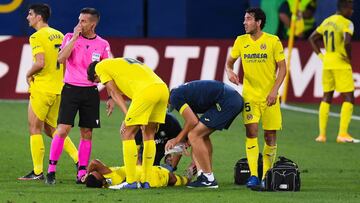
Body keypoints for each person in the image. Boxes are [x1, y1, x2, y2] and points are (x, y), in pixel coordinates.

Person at [45, 7, 111, 184]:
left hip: (90, 92)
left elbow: (107, 72)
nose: (79, 24)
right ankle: (51, 170)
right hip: (71, 89)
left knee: (87, 132)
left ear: (93, 24)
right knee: (63, 129)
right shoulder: (69, 37)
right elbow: (60, 59)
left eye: (83, 21)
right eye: (79, 19)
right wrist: (74, 37)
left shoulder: (103, 44)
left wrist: (111, 96)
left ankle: (81, 172)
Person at [225, 7, 287, 188]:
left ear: (258, 22)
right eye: (244, 19)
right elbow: (229, 63)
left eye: (248, 19)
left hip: (269, 97)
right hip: (250, 96)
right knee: (251, 132)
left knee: (269, 136)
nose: (244, 22)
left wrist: (274, 90)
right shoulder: (240, 41)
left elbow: (282, 68)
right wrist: (230, 72)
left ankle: (267, 175)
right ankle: (253, 175)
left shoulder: (273, 41)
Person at [87, 57, 169, 189]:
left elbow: (113, 91)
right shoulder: (118, 63)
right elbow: (115, 89)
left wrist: (127, 117)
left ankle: (130, 182)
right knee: (149, 135)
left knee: (127, 134)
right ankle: (145, 181)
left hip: (146, 91)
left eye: (99, 81)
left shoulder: (99, 67)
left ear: (95, 75)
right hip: (162, 89)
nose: (102, 82)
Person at [18, 3, 79, 181]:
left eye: (30, 14)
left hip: (43, 89)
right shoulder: (59, 34)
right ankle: (78, 160)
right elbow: (66, 61)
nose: (27, 17)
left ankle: (37, 172)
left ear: (38, 17)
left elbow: (40, 62)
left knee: (34, 128)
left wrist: (28, 74)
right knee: (53, 129)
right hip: (58, 88)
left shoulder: (36, 37)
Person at [165, 80, 244, 188]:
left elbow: (192, 121)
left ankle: (208, 178)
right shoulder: (182, 93)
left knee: (194, 135)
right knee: (200, 135)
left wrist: (177, 140)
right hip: (232, 98)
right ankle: (204, 175)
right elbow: (195, 122)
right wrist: (186, 142)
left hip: (226, 100)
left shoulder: (174, 97)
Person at [309, 0, 359, 143]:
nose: (352, 11)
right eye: (351, 8)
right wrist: (349, 57)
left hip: (327, 63)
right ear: (344, 8)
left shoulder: (327, 21)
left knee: (327, 96)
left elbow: (312, 38)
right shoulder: (347, 23)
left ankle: (322, 135)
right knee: (349, 97)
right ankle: (342, 134)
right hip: (341, 64)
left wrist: (321, 56)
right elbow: (347, 42)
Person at [83, 159, 189, 189]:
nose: (95, 171)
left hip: (147, 175)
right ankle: (187, 178)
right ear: (102, 180)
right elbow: (94, 162)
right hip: (151, 174)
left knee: (171, 179)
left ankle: (185, 178)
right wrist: (86, 174)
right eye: (95, 172)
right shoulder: (110, 176)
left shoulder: (107, 184)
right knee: (172, 178)